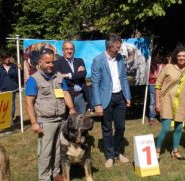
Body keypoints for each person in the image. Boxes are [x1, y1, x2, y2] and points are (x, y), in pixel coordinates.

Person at [25, 48, 75, 181]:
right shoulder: (33, 80)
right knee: (45, 151)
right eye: (47, 62)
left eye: (52, 62)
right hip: (45, 121)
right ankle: (44, 179)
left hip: (61, 119)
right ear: (39, 62)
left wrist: (71, 108)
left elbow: (65, 93)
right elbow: (29, 102)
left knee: (59, 148)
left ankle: (55, 172)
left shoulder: (58, 77)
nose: (50, 65)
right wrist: (34, 123)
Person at [91, 34, 132, 168]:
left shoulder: (120, 59)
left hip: (119, 97)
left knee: (121, 126)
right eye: (117, 47)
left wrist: (128, 96)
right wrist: (97, 104)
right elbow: (95, 83)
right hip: (105, 99)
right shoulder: (98, 60)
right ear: (110, 47)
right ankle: (109, 155)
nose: (119, 49)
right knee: (107, 128)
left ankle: (117, 152)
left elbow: (124, 78)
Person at [54, 41, 89, 114]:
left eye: (71, 49)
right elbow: (59, 79)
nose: (69, 51)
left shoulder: (79, 61)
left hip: (80, 95)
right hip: (66, 96)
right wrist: (76, 74)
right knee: (68, 122)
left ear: (74, 50)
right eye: (66, 49)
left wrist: (67, 75)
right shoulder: (57, 63)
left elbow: (83, 75)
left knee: (81, 121)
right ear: (63, 50)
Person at [0, 53, 19, 124]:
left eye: (8, 57)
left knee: (12, 105)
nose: (7, 59)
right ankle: (3, 120)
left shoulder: (14, 66)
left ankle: (11, 120)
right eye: (5, 58)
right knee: (2, 106)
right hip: (2, 90)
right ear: (2, 59)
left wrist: (19, 69)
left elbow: (18, 77)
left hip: (12, 89)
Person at [148, 52, 167, 126]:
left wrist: (159, 77)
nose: (157, 58)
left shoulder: (164, 66)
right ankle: (151, 118)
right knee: (152, 102)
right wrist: (156, 76)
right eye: (156, 57)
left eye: (159, 57)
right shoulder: (151, 66)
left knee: (162, 101)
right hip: (152, 84)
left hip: (162, 86)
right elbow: (149, 76)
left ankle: (162, 117)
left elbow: (166, 76)